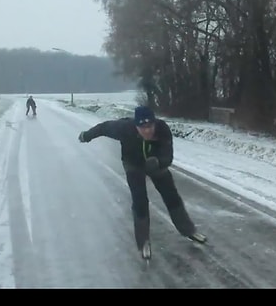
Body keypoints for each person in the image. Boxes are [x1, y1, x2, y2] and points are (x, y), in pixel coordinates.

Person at [77, 105, 207, 260]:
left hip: (156, 163)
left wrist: (159, 161)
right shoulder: (124, 128)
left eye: (150, 126)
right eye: (142, 127)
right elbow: (103, 128)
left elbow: (168, 154)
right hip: (133, 164)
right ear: (136, 126)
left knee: (171, 195)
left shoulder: (162, 129)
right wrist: (87, 135)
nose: (147, 131)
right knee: (140, 201)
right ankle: (143, 242)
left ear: (154, 123)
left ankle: (189, 230)